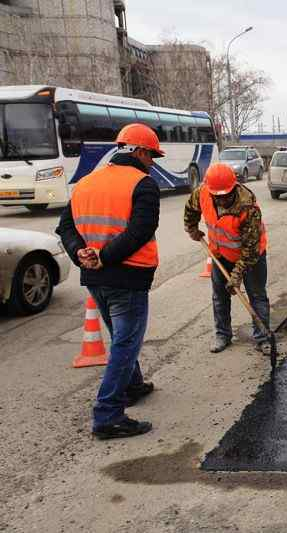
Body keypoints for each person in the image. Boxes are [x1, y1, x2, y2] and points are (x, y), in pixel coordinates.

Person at [56, 123, 161, 439]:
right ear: (139, 152)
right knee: (126, 343)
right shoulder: (143, 184)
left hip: (95, 277)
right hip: (128, 277)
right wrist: (104, 256)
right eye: (151, 155)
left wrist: (81, 253)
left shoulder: (86, 182)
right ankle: (108, 415)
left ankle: (133, 386)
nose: (152, 162)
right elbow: (140, 231)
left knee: (120, 336)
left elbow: (65, 228)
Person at [184, 163, 270, 354]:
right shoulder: (202, 193)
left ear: (234, 187)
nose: (222, 200)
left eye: (226, 195)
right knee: (219, 296)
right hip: (220, 254)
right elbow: (190, 209)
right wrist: (191, 228)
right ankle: (222, 334)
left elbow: (250, 249)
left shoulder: (248, 207)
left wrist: (236, 275)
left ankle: (263, 337)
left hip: (251, 257)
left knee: (257, 296)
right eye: (218, 196)